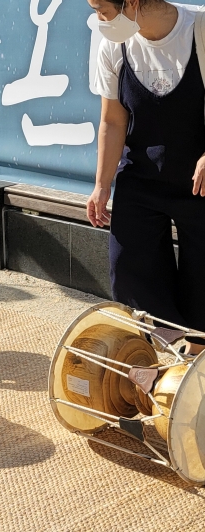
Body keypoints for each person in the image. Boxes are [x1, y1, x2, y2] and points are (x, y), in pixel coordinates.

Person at [87, 0, 205, 355]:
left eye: (102, 9)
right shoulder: (112, 42)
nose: (98, 20)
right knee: (130, 269)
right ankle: (166, 362)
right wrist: (101, 185)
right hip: (141, 176)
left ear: (133, 3)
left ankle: (198, 364)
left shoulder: (199, 29)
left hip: (199, 182)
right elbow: (112, 120)